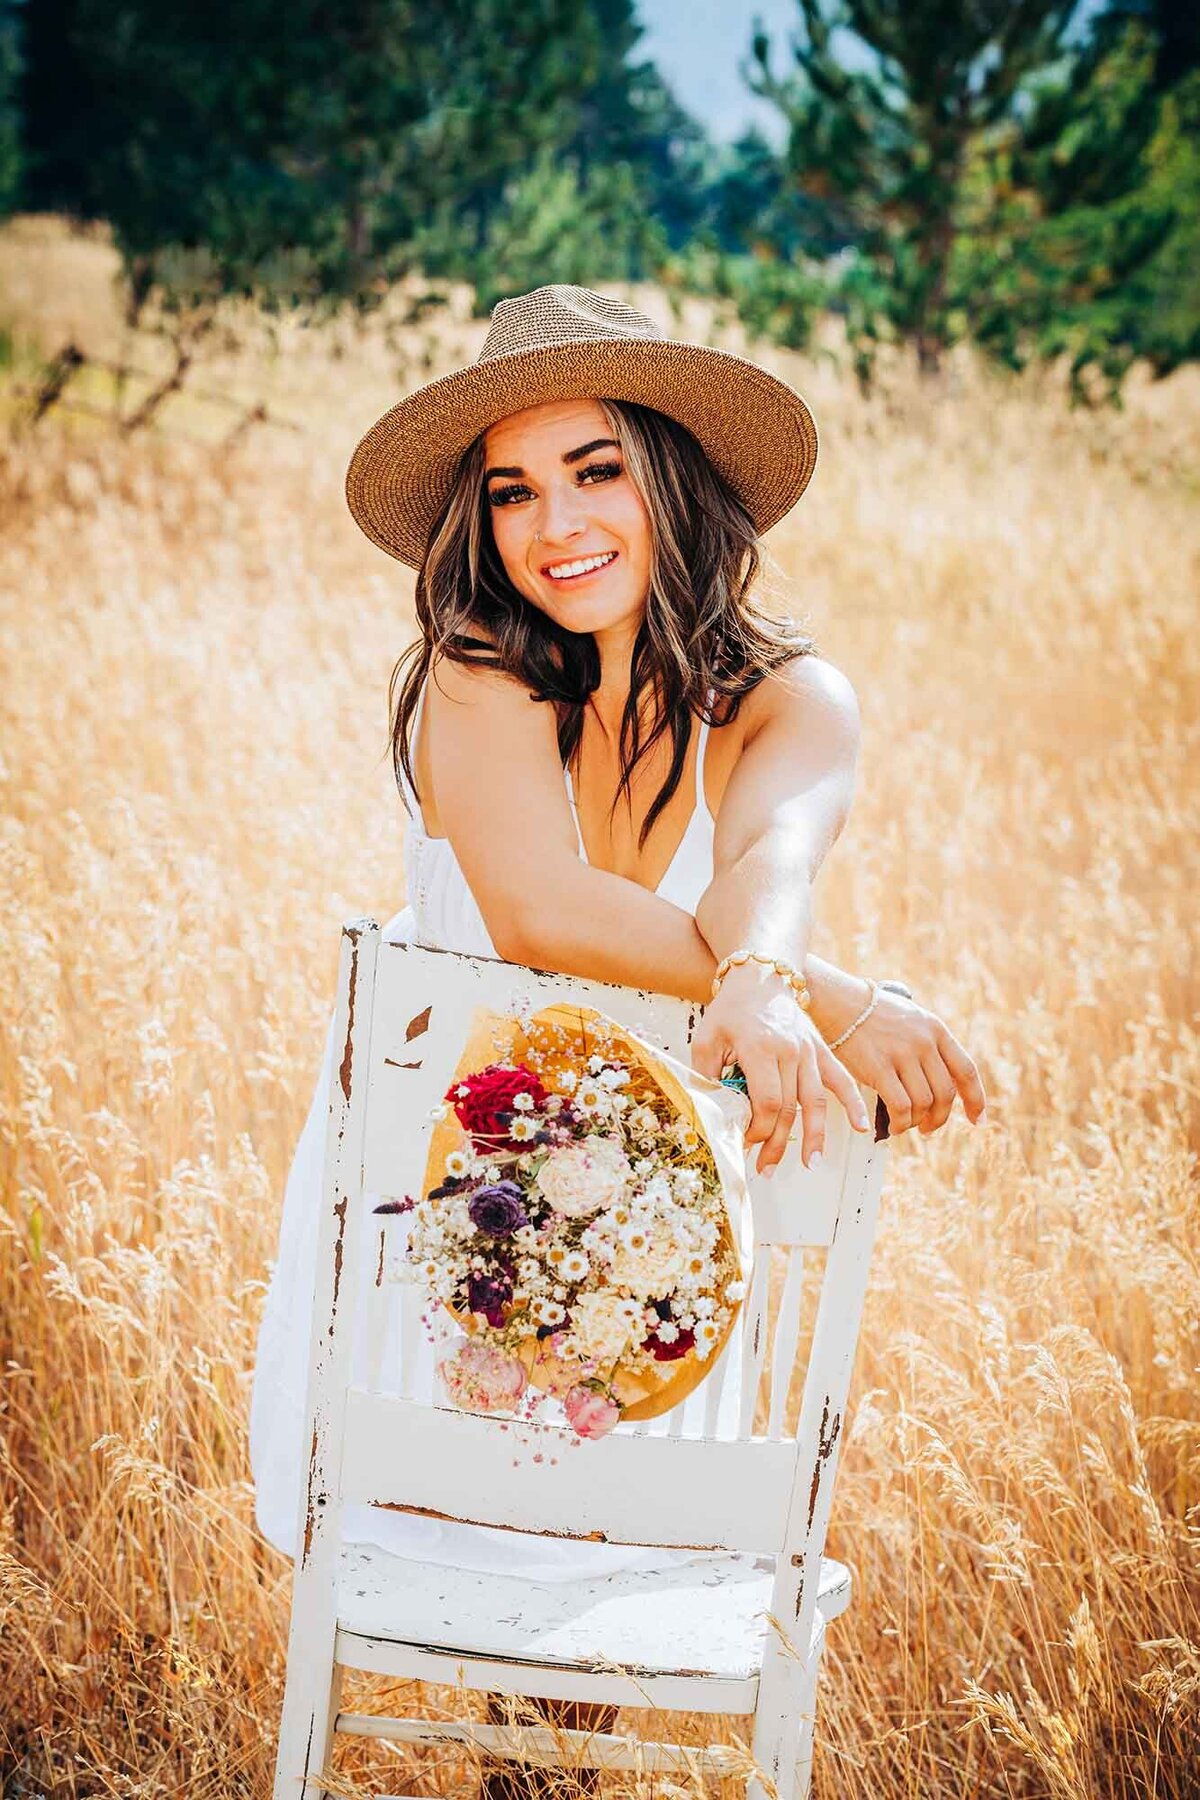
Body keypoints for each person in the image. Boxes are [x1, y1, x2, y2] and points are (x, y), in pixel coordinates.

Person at [251, 285, 987, 1796]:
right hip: (446, 1172)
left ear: (672, 477)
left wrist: (772, 966)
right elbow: (536, 912)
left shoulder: (791, 697)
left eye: (595, 469)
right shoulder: (480, 662)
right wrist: (813, 998)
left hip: (641, 1180)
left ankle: (553, 1780)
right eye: (513, 489)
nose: (552, 523)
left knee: (592, 1619)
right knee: (467, 1558)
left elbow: (771, 857)